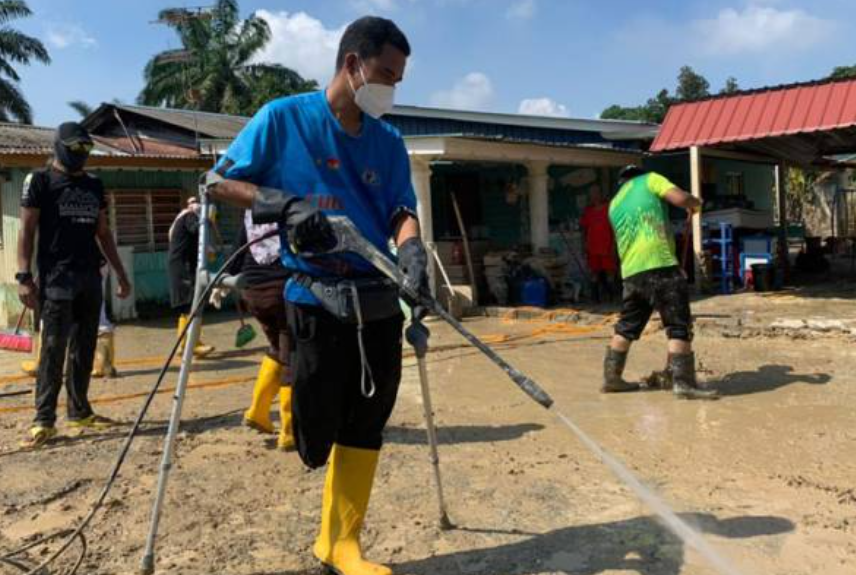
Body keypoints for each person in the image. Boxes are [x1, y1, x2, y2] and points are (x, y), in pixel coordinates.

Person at [207, 16, 427, 575]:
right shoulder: (283, 119)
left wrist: (413, 249)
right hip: (314, 295)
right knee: (315, 426)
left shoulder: (388, 140)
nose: (391, 89)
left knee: (368, 418)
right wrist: (283, 205)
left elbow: (401, 209)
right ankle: (303, 442)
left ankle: (340, 544)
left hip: (375, 295)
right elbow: (218, 182)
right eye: (385, 74)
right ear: (353, 65)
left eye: (399, 79)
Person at [16, 122, 132, 448]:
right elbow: (26, 231)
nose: (81, 154)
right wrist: (24, 276)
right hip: (56, 279)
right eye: (76, 148)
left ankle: (79, 410)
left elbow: (104, 233)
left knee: (85, 347)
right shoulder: (39, 181)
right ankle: (44, 419)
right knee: (53, 349)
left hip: (90, 277)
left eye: (86, 149)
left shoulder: (95, 185)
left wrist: (121, 275)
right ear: (59, 145)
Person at [603, 165, 718, 400]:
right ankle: (684, 383)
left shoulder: (614, 204)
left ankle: (612, 378)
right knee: (678, 323)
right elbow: (680, 198)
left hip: (632, 271)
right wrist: (695, 202)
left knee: (627, 325)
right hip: (659, 263)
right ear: (639, 174)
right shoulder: (650, 179)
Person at [222, 213, 294, 450]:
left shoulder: (250, 212)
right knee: (291, 357)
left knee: (277, 348)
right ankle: (290, 431)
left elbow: (239, 248)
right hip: (282, 291)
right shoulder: (288, 206)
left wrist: (223, 283)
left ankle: (258, 412)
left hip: (253, 291)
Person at [168, 197, 215, 357]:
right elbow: (196, 230)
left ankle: (184, 345)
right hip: (184, 267)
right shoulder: (189, 216)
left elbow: (196, 239)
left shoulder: (181, 218)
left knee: (188, 307)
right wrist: (207, 220)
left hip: (182, 266)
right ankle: (192, 344)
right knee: (193, 304)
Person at [580, 184, 618, 302]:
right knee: (594, 272)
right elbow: (584, 230)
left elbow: (615, 229)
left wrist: (614, 246)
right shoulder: (588, 211)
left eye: (596, 193)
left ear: (601, 195)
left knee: (609, 272)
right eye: (591, 194)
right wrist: (584, 244)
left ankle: (611, 297)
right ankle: (595, 298)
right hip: (592, 247)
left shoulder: (610, 209)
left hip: (607, 246)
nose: (594, 196)